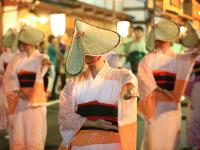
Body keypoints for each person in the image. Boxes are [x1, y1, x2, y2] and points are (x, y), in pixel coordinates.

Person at [58, 19, 137, 150]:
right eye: (86, 51)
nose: (91, 54)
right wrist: (94, 124)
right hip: (81, 143)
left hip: (112, 142)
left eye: (93, 49)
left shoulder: (121, 75)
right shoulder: (73, 83)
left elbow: (129, 80)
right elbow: (65, 116)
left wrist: (130, 88)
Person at [137, 17, 200, 150]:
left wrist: (196, 42)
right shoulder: (148, 59)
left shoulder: (178, 58)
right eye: (159, 37)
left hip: (171, 107)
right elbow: (143, 79)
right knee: (153, 143)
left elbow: (194, 55)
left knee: (171, 143)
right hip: (155, 107)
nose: (161, 41)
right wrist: (158, 90)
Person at [3, 25, 51, 150]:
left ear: (32, 43)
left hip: (35, 100)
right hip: (19, 99)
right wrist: (18, 91)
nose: (24, 44)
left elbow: (44, 61)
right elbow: (9, 77)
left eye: (25, 41)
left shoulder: (41, 57)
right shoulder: (17, 59)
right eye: (22, 42)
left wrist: (45, 63)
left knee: (34, 132)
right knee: (19, 131)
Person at [183, 22, 200, 149]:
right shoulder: (189, 53)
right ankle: (194, 143)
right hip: (193, 87)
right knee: (194, 115)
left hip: (196, 85)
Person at [0, 29, 17, 130]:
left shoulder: (15, 54)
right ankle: (6, 125)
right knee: (5, 105)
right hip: (6, 82)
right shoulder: (4, 55)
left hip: (12, 82)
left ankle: (10, 127)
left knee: (9, 106)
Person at [47, 35, 59, 99]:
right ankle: (49, 94)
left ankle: (50, 93)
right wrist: (56, 45)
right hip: (51, 64)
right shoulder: (50, 46)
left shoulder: (51, 46)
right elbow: (56, 51)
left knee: (52, 79)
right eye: (54, 39)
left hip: (53, 64)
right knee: (51, 79)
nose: (55, 40)